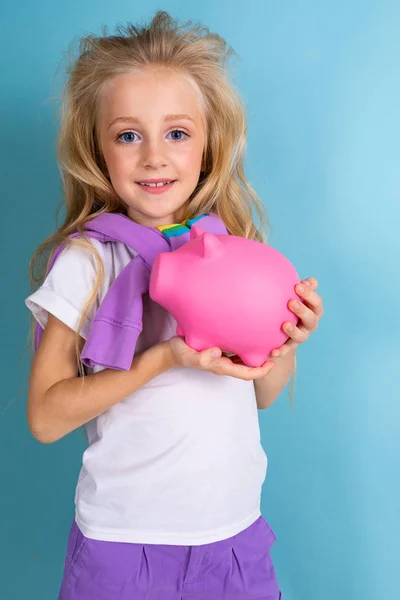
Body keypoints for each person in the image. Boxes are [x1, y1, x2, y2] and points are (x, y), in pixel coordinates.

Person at [25, 10, 323, 600]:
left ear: (209, 146)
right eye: (128, 135)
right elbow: (46, 417)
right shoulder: (89, 263)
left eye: (178, 133)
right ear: (100, 149)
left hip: (232, 538)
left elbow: (260, 389)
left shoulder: (235, 252)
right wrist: (162, 360)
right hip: (121, 542)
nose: (154, 157)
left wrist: (286, 341)